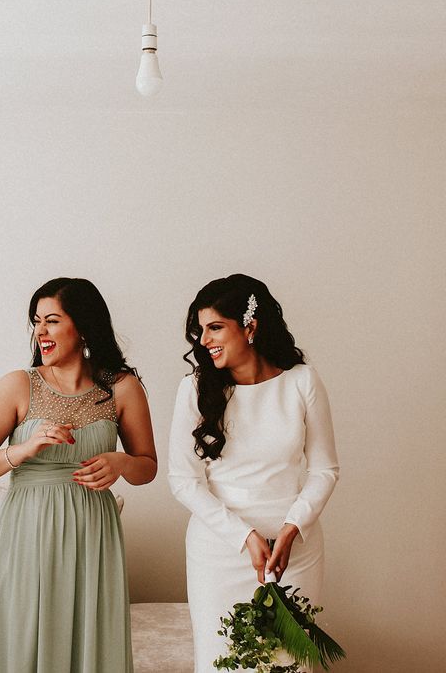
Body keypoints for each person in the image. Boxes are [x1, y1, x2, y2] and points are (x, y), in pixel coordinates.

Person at [0, 277, 156, 673]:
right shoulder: (18, 385)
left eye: (51, 321)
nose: (39, 332)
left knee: (90, 634)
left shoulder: (122, 388)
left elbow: (146, 465)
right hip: (27, 532)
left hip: (93, 535)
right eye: (36, 322)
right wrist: (22, 450)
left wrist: (121, 463)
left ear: (82, 327)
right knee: (25, 633)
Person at [168, 274, 339, 673]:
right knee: (221, 662)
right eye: (200, 330)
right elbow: (184, 480)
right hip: (219, 552)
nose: (204, 340)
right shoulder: (194, 388)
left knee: (290, 664)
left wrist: (293, 527)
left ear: (250, 326)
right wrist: (243, 537)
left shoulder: (302, 381)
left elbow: (325, 469)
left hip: (293, 552)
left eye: (215, 327)